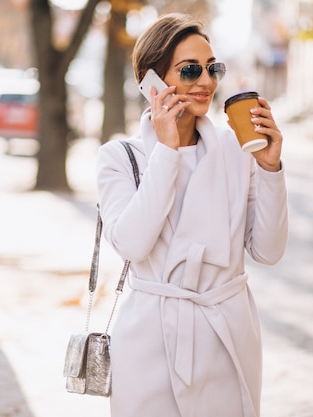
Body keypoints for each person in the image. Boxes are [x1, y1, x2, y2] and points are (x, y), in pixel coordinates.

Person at [95, 13, 288, 417]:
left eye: (213, 68)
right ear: (152, 82)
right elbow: (131, 243)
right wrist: (165, 151)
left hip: (226, 334)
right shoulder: (119, 158)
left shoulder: (238, 151)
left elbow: (268, 251)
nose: (207, 81)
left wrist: (270, 168)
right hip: (149, 339)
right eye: (190, 70)